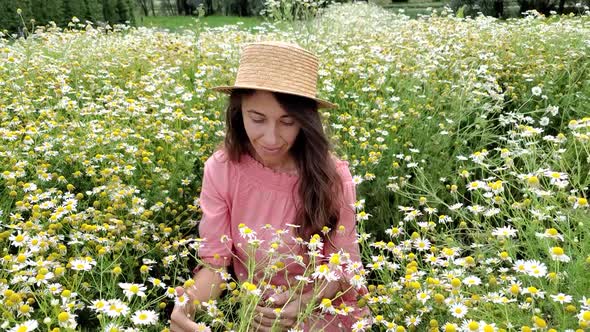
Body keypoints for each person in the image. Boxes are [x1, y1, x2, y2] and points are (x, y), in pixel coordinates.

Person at [170, 41, 369, 332]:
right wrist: (186, 308)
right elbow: (215, 265)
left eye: (287, 122)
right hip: (260, 314)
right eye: (257, 119)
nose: (271, 138)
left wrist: (305, 301)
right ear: (239, 113)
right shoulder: (222, 168)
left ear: (306, 122)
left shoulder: (333, 176)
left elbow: (345, 267)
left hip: (324, 308)